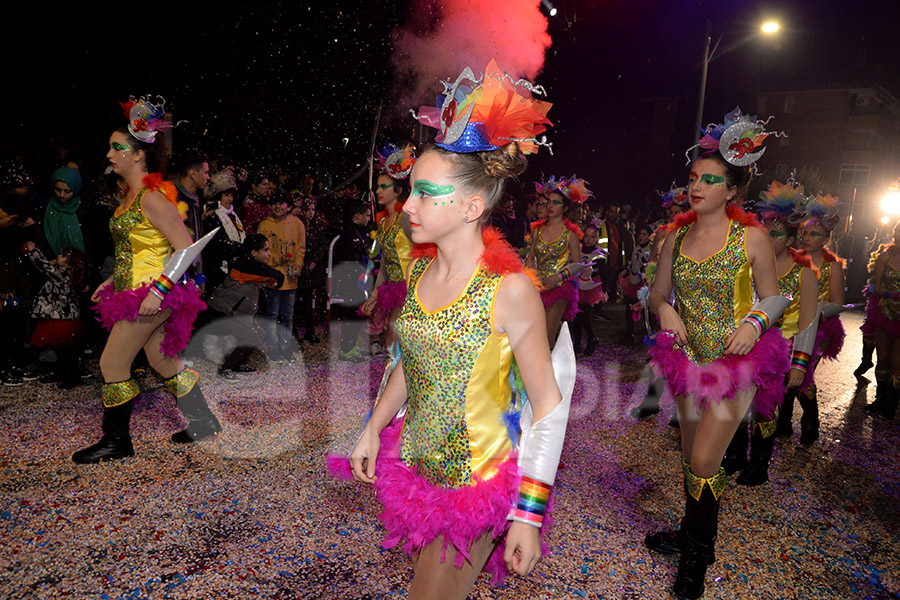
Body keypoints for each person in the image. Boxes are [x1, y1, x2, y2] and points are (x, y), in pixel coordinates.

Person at [337, 60, 568, 598]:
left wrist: (529, 516)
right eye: (411, 190)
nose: (408, 205)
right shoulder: (419, 270)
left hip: (477, 485)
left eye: (424, 194)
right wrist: (373, 426)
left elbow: (549, 407)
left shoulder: (509, 291)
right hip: (420, 474)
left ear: (471, 205)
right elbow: (408, 363)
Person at [645, 109, 790, 599]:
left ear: (732, 190)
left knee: (707, 457)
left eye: (710, 180)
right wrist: (664, 310)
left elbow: (774, 298)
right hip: (689, 364)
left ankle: (696, 559)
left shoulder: (751, 237)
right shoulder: (675, 238)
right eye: (693, 178)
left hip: (738, 364)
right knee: (690, 457)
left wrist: (753, 323)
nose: (697, 187)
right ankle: (690, 533)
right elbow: (656, 295)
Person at [72, 96, 221, 464]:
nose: (109, 154)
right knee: (163, 362)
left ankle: (117, 441)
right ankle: (203, 421)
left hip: (152, 295)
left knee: (111, 363)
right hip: (134, 290)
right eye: (109, 147)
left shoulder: (152, 198)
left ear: (138, 155)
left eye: (116, 147)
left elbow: (186, 249)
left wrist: (158, 290)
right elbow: (135, 250)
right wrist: (112, 281)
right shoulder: (131, 197)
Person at [726, 179, 818, 485]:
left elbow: (808, 321)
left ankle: (759, 464)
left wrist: (800, 365)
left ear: (791, 238)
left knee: (766, 408)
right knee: (738, 403)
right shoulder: (749, 264)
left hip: (780, 350)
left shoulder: (803, 272)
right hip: (745, 344)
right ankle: (736, 455)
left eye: (776, 232)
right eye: (766, 230)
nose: (768, 235)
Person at [787, 193, 846, 444]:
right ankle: (782, 422)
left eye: (815, 234)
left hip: (820, 328)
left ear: (827, 238)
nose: (807, 238)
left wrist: (813, 311)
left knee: (805, 373)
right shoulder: (793, 259)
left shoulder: (832, 266)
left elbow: (838, 304)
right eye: (805, 232)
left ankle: (810, 420)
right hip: (789, 324)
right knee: (785, 372)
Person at [359, 144, 416, 354]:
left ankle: (392, 382)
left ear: (398, 191)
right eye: (377, 187)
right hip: (393, 289)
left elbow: (424, 254)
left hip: (410, 290)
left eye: (384, 187)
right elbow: (384, 262)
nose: (378, 191)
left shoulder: (406, 219)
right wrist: (374, 294)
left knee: (393, 341)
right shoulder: (383, 223)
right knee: (393, 345)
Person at [206, 233, 283, 379]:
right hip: (223, 311)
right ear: (254, 252)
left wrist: (272, 281)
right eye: (265, 250)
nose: (269, 254)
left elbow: (274, 279)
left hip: (235, 311)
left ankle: (236, 365)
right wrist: (274, 280)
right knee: (250, 336)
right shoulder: (246, 265)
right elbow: (277, 276)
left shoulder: (251, 267)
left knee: (259, 333)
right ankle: (226, 369)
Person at [525, 176, 588, 349]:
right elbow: (531, 258)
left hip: (559, 289)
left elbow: (578, 263)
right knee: (534, 336)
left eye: (556, 203)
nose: (551, 206)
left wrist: (558, 277)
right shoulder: (536, 230)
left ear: (565, 208)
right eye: (550, 202)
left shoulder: (570, 234)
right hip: (537, 288)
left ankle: (550, 374)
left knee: (547, 337)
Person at [23, 242, 89, 388]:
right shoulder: (72, 274)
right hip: (67, 318)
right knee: (63, 349)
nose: (58, 256)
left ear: (67, 262)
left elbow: (41, 265)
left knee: (66, 351)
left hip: (60, 319)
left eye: (62, 255)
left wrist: (34, 250)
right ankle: (63, 373)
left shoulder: (61, 273)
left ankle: (71, 378)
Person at [257, 193, 305, 362]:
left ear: (288, 206)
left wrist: (297, 266)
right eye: (274, 203)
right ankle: (273, 349)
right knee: (272, 315)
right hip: (272, 277)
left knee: (287, 315)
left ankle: (286, 348)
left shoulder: (297, 224)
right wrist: (276, 259)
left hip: (290, 278)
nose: (277, 207)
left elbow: (300, 249)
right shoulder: (264, 225)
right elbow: (260, 253)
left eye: (281, 203)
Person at [861, 221, 900, 419]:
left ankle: (891, 405)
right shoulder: (885, 256)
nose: (898, 234)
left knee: (897, 364)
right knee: (882, 360)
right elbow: (875, 282)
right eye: (898, 231)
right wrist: (884, 293)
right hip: (885, 315)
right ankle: (880, 399)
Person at [330, 200, 373, 361]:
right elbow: (351, 262)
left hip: (355, 281)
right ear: (357, 216)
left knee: (355, 316)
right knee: (351, 317)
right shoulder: (350, 235)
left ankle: (351, 346)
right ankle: (346, 350)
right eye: (367, 216)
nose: (369, 219)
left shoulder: (357, 233)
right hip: (350, 284)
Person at [202, 169, 246, 294]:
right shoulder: (212, 215)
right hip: (218, 270)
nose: (230, 199)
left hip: (233, 267)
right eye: (226, 195)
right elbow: (218, 243)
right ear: (218, 195)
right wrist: (243, 248)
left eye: (232, 195)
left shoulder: (233, 214)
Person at [570, 223, 606, 356]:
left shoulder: (598, 254)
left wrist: (605, 290)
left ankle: (591, 337)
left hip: (591, 288)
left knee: (584, 314)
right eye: (586, 236)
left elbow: (603, 272)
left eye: (592, 237)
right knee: (576, 315)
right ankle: (578, 343)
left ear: (596, 238)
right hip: (577, 285)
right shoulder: (578, 250)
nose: (589, 239)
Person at [620, 224, 652, 344]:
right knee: (629, 308)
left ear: (649, 236)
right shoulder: (637, 247)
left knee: (645, 310)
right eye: (640, 234)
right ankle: (630, 334)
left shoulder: (650, 249)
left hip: (643, 283)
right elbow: (633, 263)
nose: (641, 237)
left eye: (644, 234)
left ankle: (650, 334)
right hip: (633, 282)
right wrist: (626, 271)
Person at [44, 167, 86, 257]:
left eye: (67, 191)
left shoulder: (83, 211)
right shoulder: (46, 206)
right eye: (58, 190)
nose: (62, 195)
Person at [170, 148, 210, 240]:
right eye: (206, 173)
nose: (208, 177)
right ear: (193, 174)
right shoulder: (174, 197)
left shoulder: (195, 196)